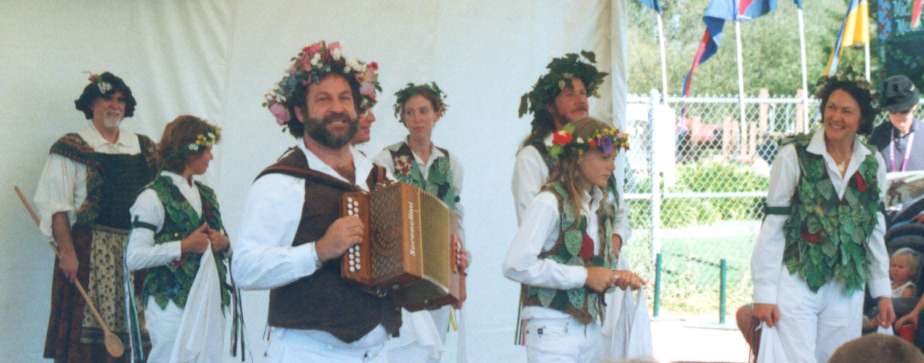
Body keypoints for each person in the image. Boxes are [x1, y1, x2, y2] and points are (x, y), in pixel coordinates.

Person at [234, 40, 396, 363]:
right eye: (323, 99)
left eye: (345, 98)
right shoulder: (282, 181)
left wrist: (442, 267)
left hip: (379, 351)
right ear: (299, 112)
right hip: (307, 353)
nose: (337, 108)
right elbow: (244, 268)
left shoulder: (379, 177)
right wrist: (318, 251)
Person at [752, 77, 894, 363]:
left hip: (847, 285)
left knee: (840, 358)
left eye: (846, 111)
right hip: (797, 279)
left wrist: (882, 292)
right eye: (831, 108)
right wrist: (764, 292)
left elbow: (875, 230)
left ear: (862, 118)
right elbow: (773, 226)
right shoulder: (793, 155)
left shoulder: (872, 162)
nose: (836, 117)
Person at [35, 72, 156, 363]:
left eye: (120, 100)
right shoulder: (71, 147)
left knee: (139, 333)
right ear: (91, 105)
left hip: (135, 251)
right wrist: (66, 251)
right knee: (84, 336)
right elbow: (57, 206)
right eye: (106, 99)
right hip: (89, 250)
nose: (114, 106)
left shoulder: (145, 148)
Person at [504, 117, 644, 363]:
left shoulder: (598, 205)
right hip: (552, 330)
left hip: (590, 328)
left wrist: (615, 277)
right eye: (604, 158)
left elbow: (591, 267)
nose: (611, 166)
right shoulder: (549, 202)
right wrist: (584, 276)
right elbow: (515, 265)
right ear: (579, 156)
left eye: (613, 159)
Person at [373, 82, 470, 363]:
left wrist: (461, 264)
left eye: (424, 111)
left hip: (439, 263)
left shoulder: (450, 162)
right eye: (410, 112)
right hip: (402, 265)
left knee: (435, 346)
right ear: (402, 117)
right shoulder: (387, 159)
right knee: (405, 345)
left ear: (437, 114)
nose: (417, 119)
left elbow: (455, 213)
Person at [126, 115, 233, 362]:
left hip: (209, 298)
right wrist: (184, 246)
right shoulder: (152, 197)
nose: (211, 157)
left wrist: (224, 244)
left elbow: (223, 242)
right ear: (189, 151)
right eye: (206, 150)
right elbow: (134, 257)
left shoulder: (207, 195)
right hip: (170, 302)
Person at [869, 75, 923, 172]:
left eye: (904, 111)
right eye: (893, 111)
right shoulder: (878, 135)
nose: (898, 117)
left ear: (914, 106)